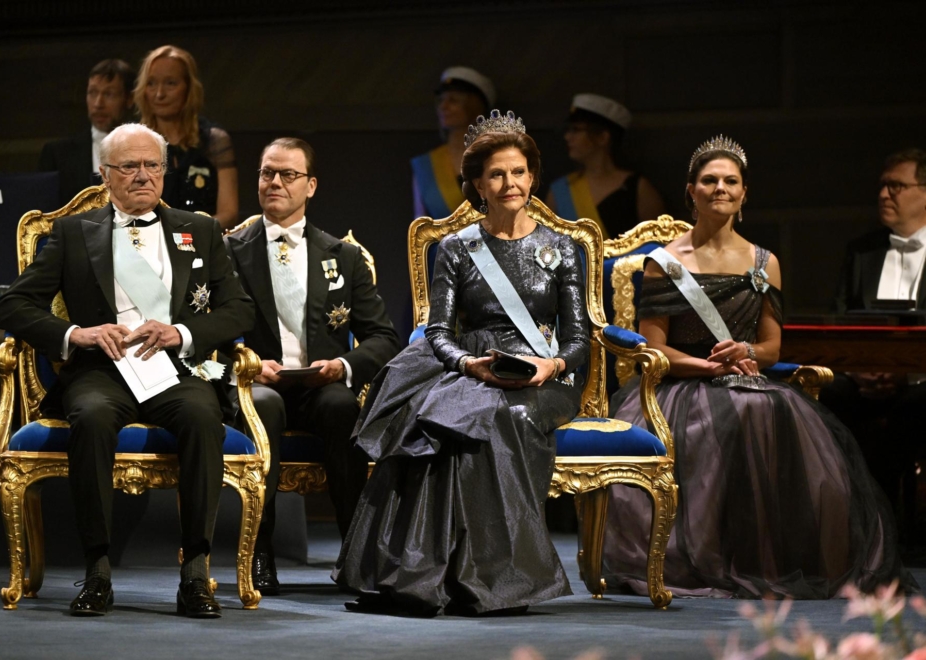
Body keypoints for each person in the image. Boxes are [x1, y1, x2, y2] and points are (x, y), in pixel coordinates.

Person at [602, 136, 916, 598]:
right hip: (685, 385)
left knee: (767, 415)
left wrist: (747, 352)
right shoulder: (663, 263)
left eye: (731, 181)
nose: (720, 188)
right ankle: (701, 557)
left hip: (746, 379)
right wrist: (705, 367)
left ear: (745, 193)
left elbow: (771, 347)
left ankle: (763, 560)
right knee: (736, 417)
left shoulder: (765, 261)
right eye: (709, 181)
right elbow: (656, 350)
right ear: (691, 190)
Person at [0, 123, 255, 618]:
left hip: (174, 370)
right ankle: (97, 572)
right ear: (104, 174)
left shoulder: (198, 229)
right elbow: (12, 306)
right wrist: (78, 335)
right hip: (101, 371)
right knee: (89, 418)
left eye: (152, 165)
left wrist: (183, 333)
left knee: (203, 419)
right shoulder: (74, 232)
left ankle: (196, 573)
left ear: (164, 171)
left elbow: (240, 311)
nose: (142, 176)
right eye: (128, 166)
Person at [333, 110, 589, 616]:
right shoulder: (456, 247)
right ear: (476, 183)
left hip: (542, 375)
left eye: (518, 172)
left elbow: (580, 338)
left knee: (492, 415)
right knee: (442, 419)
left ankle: (500, 579)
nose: (509, 183)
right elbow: (438, 332)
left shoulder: (562, 247)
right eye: (496, 174)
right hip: (472, 366)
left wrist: (550, 368)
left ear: (533, 177)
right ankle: (431, 578)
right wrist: (470, 366)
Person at [224, 137, 400, 596]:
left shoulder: (344, 256)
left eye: (288, 175)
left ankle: (355, 552)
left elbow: (383, 337)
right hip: (257, 386)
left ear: (311, 185)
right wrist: (243, 364)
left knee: (342, 406)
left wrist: (342, 364)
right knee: (263, 406)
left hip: (322, 385)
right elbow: (204, 330)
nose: (275, 182)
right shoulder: (228, 251)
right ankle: (258, 554)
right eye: (267, 173)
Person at [822, 148, 926, 535]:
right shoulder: (862, 251)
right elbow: (837, 322)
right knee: (827, 393)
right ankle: (845, 522)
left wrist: (907, 375)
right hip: (863, 380)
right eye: (882, 185)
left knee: (916, 405)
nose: (884, 194)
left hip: (918, 384)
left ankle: (894, 524)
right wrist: (857, 369)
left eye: (896, 186)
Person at [135, 45, 239, 229]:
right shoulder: (134, 142)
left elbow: (229, 213)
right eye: (151, 83)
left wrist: (192, 235)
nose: (159, 94)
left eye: (170, 83)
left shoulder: (214, 141)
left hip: (202, 245)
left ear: (189, 88)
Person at [546, 94, 666, 239]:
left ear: (603, 137)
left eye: (576, 130)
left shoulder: (638, 189)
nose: (567, 137)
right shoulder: (561, 190)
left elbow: (659, 248)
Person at [39, 59, 134, 204]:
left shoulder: (147, 150)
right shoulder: (57, 155)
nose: (98, 104)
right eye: (92, 93)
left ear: (129, 99)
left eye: (109, 94)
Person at [411, 66, 495, 219]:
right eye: (441, 100)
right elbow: (420, 222)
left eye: (453, 100)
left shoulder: (497, 157)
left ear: (474, 106)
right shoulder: (426, 165)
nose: (444, 106)